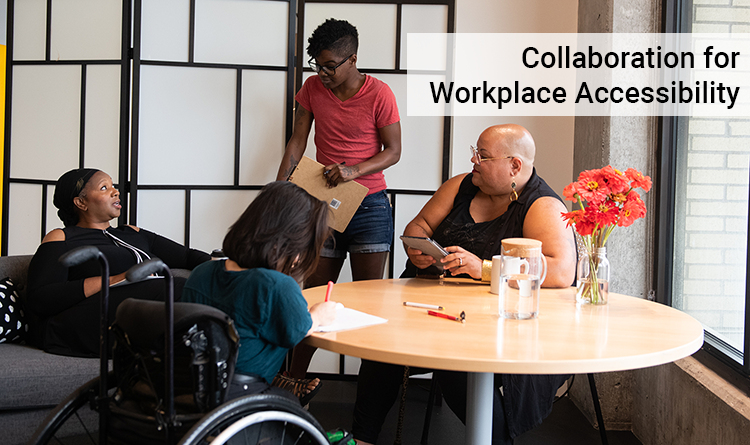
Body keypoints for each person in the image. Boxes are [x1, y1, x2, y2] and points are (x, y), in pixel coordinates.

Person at [351, 124, 577, 445]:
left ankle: (495, 441)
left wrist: (482, 268)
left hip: (495, 326)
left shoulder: (542, 206)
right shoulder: (461, 186)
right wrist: (416, 248)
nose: (473, 161)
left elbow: (560, 271)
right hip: (432, 312)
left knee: (459, 370)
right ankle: (362, 438)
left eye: (482, 156)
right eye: (475, 152)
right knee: (382, 350)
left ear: (514, 165)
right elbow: (420, 225)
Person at [275, 18, 402, 378]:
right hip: (324, 202)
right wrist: (280, 187)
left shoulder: (380, 94)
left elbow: (393, 152)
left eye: (330, 66)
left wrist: (352, 170)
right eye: (318, 64)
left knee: (366, 300)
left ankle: (368, 401)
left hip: (370, 205)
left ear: (353, 59)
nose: (323, 73)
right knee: (314, 297)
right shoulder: (312, 88)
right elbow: (298, 142)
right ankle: (292, 382)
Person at [181, 181, 338, 403]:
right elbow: (299, 329)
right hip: (240, 394)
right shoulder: (276, 285)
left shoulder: (201, 272)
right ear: (292, 244)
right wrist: (319, 315)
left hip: (190, 387)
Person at [26, 168, 211, 358]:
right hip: (86, 319)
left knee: (203, 288)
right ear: (81, 202)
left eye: (113, 186)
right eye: (104, 187)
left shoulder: (132, 233)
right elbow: (40, 297)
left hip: (145, 310)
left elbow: (188, 256)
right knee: (178, 287)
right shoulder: (62, 237)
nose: (116, 191)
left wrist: (225, 268)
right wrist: (115, 279)